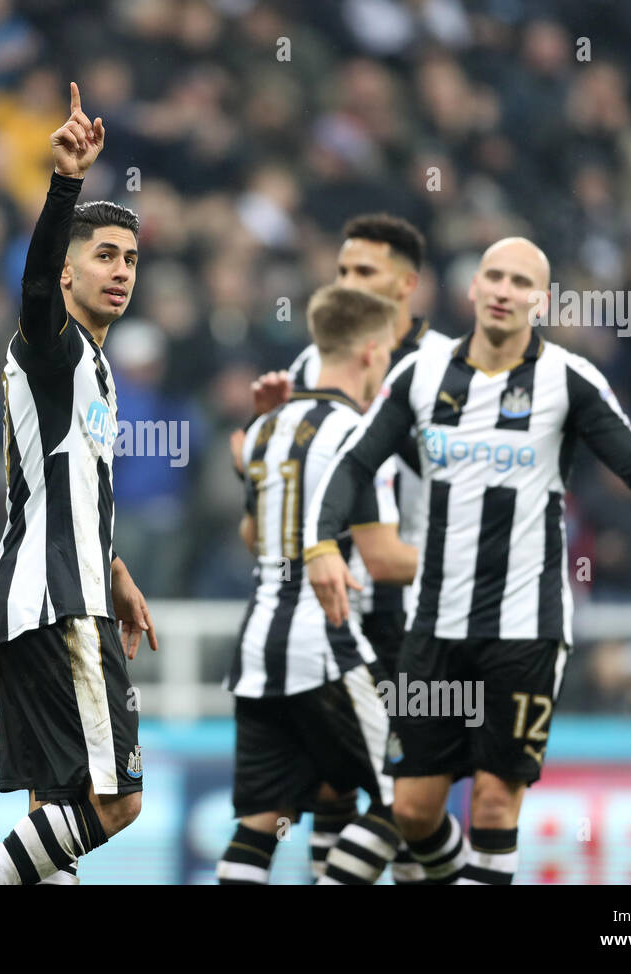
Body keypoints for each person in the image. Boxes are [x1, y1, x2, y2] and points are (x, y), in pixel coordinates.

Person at [305, 237, 631, 884]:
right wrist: (322, 544)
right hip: (435, 626)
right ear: (472, 289)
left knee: (497, 802)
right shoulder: (421, 374)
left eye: (520, 281)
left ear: (542, 299)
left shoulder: (568, 379)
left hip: (526, 628)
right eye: (493, 276)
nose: (504, 289)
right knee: (415, 809)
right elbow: (357, 461)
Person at [0, 83, 158, 886]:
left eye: (131, 260)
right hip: (59, 606)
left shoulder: (95, 372)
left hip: (49, 595)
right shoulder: (55, 346)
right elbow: (34, 288)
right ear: (69, 271)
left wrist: (115, 570)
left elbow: (52, 484)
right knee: (117, 803)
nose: (121, 272)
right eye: (104, 256)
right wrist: (66, 183)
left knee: (55, 811)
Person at [237, 213, 445, 882]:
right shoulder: (315, 361)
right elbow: (279, 477)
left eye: (365, 272)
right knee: (346, 788)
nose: (349, 282)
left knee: (410, 796)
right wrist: (258, 436)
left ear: (406, 283)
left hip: (410, 602)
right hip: (347, 593)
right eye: (342, 271)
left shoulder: (445, 368)